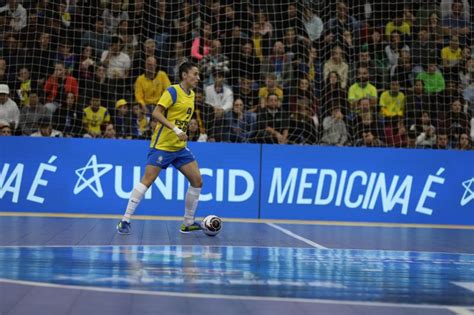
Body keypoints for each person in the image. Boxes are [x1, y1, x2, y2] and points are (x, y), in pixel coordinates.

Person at [117, 62, 203, 235]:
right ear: (184, 75)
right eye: (195, 74)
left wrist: (186, 129)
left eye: (198, 74)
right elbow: (156, 113)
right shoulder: (172, 91)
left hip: (179, 148)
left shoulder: (192, 94)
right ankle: (124, 220)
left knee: (197, 181)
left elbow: (181, 117)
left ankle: (187, 223)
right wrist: (176, 129)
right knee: (147, 180)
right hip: (162, 146)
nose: (198, 77)